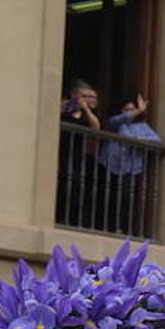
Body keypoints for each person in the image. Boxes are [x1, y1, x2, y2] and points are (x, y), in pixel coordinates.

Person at [99, 94, 162, 235]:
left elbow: (157, 140)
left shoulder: (142, 126)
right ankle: (104, 226)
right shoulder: (116, 122)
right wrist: (139, 110)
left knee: (126, 199)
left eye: (132, 109)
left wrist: (139, 139)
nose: (129, 112)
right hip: (110, 164)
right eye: (126, 110)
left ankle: (121, 228)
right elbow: (114, 121)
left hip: (131, 168)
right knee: (108, 196)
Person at [58, 78, 103, 228]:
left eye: (91, 97)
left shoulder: (86, 114)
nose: (88, 100)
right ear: (74, 94)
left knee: (77, 188)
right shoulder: (65, 106)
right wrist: (65, 106)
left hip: (79, 155)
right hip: (63, 151)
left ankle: (74, 220)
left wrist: (86, 109)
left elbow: (96, 127)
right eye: (84, 96)